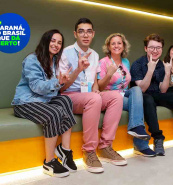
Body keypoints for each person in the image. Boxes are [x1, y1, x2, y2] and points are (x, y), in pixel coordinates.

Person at [59, 18, 127, 174]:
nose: (85, 35)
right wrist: (77, 69)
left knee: (115, 97)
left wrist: (96, 88)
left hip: (89, 96)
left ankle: (105, 147)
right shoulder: (66, 53)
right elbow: (62, 87)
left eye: (89, 31)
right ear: (75, 34)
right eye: (81, 31)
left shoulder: (95, 55)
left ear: (93, 34)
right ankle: (89, 151)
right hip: (69, 96)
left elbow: (94, 82)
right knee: (94, 98)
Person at [11, 29, 77, 178]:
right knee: (54, 113)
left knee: (66, 100)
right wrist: (57, 82)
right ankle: (49, 162)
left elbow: (52, 88)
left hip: (43, 100)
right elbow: (36, 86)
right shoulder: (32, 60)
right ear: (45, 41)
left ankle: (65, 150)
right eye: (53, 41)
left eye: (59, 42)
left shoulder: (53, 61)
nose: (56, 45)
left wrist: (62, 81)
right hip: (25, 103)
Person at [97, 33, 155, 157]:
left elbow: (126, 84)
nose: (116, 45)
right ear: (108, 46)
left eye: (119, 43)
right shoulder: (103, 62)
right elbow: (100, 87)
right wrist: (109, 74)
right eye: (113, 43)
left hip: (124, 94)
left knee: (136, 89)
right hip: (110, 96)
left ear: (123, 46)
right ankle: (141, 145)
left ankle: (136, 128)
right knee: (138, 106)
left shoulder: (126, 62)